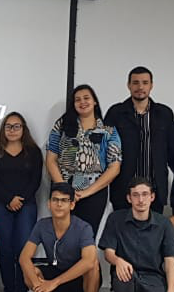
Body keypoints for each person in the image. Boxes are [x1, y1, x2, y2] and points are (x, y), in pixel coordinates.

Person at [19, 183, 101, 292]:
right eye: (55, 200)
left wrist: (54, 283)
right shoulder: (42, 226)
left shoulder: (83, 228)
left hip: (77, 278)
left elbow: (88, 261)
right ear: (49, 204)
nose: (59, 204)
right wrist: (39, 288)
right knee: (31, 271)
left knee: (93, 265)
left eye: (64, 200)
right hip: (56, 270)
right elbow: (24, 257)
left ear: (72, 205)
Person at [0, 111, 42, 292]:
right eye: (8, 126)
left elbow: (36, 180)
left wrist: (20, 199)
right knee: (6, 248)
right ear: (3, 129)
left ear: (23, 128)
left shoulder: (34, 152)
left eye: (17, 126)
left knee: (24, 248)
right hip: (0, 204)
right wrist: (9, 199)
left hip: (27, 204)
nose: (12, 130)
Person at [46, 84, 122, 235]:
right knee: (61, 236)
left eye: (86, 98)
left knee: (86, 237)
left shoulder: (108, 131)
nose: (82, 102)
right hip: (63, 192)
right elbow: (51, 159)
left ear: (95, 102)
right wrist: (64, 189)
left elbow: (114, 167)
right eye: (77, 100)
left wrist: (86, 192)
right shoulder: (61, 126)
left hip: (94, 193)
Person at [104, 66, 174, 213]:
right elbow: (106, 149)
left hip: (155, 189)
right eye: (136, 82)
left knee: (153, 234)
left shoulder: (164, 114)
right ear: (128, 85)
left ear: (151, 85)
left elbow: (172, 150)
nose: (140, 87)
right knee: (123, 233)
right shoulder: (116, 113)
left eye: (145, 82)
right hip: (124, 189)